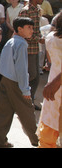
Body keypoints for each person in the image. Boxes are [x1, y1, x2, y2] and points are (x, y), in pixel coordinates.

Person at [0, 17, 39, 148]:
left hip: (5, 80)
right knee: (27, 112)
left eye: (32, 27)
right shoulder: (22, 44)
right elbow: (21, 69)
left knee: (3, 112)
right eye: (29, 27)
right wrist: (25, 90)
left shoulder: (10, 41)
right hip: (15, 83)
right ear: (19, 29)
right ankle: (38, 141)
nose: (32, 30)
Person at [18, 0, 45, 109]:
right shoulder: (25, 11)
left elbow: (36, 29)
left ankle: (30, 101)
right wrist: (37, 39)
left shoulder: (38, 10)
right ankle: (23, 100)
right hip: (27, 47)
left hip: (35, 47)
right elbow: (22, 30)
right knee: (31, 75)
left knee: (36, 77)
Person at [37, 12, 61, 148]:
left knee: (48, 132)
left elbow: (50, 60)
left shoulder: (51, 38)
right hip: (55, 86)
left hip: (53, 88)